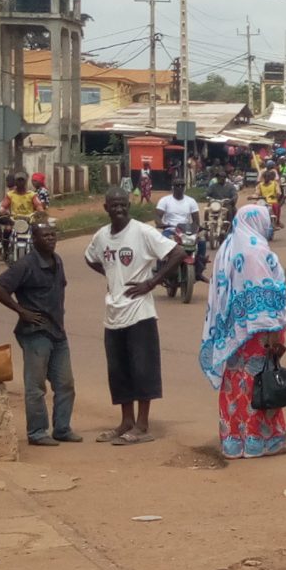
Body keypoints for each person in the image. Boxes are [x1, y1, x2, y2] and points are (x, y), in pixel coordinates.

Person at [82, 189, 186, 445]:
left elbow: (178, 253)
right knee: (119, 371)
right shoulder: (102, 236)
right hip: (113, 314)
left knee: (142, 370)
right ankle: (125, 421)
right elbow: (90, 258)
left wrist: (151, 282)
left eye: (122, 205)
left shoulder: (142, 232)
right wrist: (111, 274)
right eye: (113, 205)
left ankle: (142, 425)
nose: (119, 209)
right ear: (106, 207)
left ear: (128, 205)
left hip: (140, 314)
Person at [198, 203, 286, 460]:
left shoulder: (228, 248)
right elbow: (262, 297)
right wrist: (273, 334)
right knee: (258, 383)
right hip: (258, 333)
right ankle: (259, 440)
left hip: (233, 332)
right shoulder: (256, 251)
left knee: (234, 382)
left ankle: (233, 439)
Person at [0, 217, 80, 446]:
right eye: (45, 236)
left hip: (58, 332)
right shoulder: (25, 265)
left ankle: (62, 428)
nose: (50, 239)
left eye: (53, 235)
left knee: (65, 383)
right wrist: (21, 311)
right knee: (36, 386)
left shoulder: (57, 261)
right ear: (34, 239)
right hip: (35, 332)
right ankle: (38, 432)